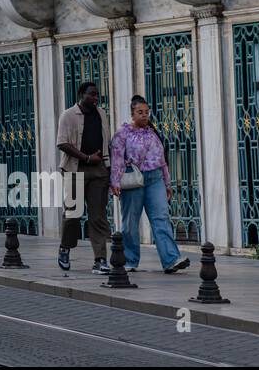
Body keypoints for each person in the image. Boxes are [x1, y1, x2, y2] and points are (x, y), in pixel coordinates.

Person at [111, 96, 190, 273]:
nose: (144, 115)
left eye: (146, 112)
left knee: (161, 218)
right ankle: (130, 261)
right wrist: (115, 181)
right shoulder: (123, 133)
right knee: (130, 222)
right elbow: (117, 159)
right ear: (132, 114)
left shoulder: (153, 133)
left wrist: (167, 184)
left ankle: (170, 259)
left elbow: (163, 161)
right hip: (133, 180)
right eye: (140, 112)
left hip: (155, 180)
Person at [56, 81, 112, 274]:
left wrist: (108, 168)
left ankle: (100, 259)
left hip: (99, 172)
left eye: (97, 95)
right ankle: (65, 248)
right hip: (76, 169)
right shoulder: (68, 115)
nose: (96, 98)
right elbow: (62, 143)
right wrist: (87, 157)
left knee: (98, 217)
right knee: (73, 214)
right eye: (92, 95)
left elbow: (106, 142)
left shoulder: (101, 114)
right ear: (81, 95)